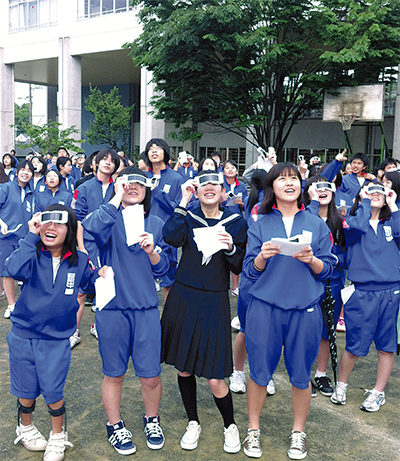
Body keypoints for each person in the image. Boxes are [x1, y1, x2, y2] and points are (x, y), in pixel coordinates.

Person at [242, 163, 336, 459]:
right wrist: (260, 258)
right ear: (272, 188)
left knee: (300, 375)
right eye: (281, 179)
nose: (289, 182)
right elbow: (248, 271)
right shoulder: (260, 224)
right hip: (265, 309)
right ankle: (253, 431)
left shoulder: (316, 224)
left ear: (301, 186)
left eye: (293, 178)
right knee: (259, 373)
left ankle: (298, 432)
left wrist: (312, 260)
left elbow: (328, 269)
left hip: (304, 310)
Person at [82, 167, 170, 455]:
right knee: (114, 373)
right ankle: (115, 424)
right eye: (126, 183)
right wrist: (116, 197)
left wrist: (152, 251)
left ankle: (151, 419)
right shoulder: (108, 218)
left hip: (145, 309)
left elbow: (165, 268)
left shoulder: (156, 223)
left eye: (138, 184)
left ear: (147, 191)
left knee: (151, 375)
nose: (133, 187)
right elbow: (90, 228)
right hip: (113, 309)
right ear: (118, 186)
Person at [161, 170, 248, 454]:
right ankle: (193, 421)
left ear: (224, 193)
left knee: (214, 376)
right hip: (184, 296)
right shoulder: (187, 216)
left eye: (216, 185)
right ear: (196, 191)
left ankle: (230, 425)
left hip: (213, 299)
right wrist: (183, 201)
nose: (209, 188)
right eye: (203, 185)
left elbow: (237, 266)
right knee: (184, 367)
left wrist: (231, 246)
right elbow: (171, 237)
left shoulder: (236, 222)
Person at [5, 204, 101, 461]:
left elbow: (91, 283)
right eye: (46, 222)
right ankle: (25, 427)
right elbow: (13, 269)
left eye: (59, 224)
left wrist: (102, 274)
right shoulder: (31, 253)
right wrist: (29, 235)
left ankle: (58, 436)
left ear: (69, 230)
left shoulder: (79, 260)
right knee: (25, 390)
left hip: (57, 339)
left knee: (53, 391)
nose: (51, 228)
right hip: (23, 335)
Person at [330, 181, 400, 412]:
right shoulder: (351, 222)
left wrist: (392, 203)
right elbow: (358, 225)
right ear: (361, 198)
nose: (376, 194)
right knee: (354, 345)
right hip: (361, 293)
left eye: (380, 191)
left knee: (386, 346)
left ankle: (378, 392)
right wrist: (365, 200)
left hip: (390, 292)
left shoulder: (390, 223)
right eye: (371, 191)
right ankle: (342, 385)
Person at [71, 149, 120, 347]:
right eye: (104, 160)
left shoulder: (119, 188)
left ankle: (99, 325)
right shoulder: (84, 187)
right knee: (81, 291)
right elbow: (78, 220)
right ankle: (73, 331)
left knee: (106, 287)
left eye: (112, 161)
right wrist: (81, 247)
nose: (108, 163)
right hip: (88, 244)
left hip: (112, 244)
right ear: (95, 163)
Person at [303, 176, 347, 398]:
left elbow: (348, 251)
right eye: (317, 187)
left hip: (334, 280)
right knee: (305, 328)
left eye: (327, 187)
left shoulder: (341, 220)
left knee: (327, 331)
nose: (322, 191)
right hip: (308, 280)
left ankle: (321, 373)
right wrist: (311, 204)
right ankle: (303, 374)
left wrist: (338, 259)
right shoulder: (304, 216)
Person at [144, 138, 184, 301]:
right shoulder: (142, 177)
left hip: (167, 234)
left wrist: (158, 192)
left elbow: (177, 208)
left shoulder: (176, 178)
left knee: (168, 279)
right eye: (150, 148)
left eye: (158, 148)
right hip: (143, 232)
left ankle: (167, 322)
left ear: (165, 152)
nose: (154, 151)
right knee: (143, 276)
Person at [0, 160, 34, 319]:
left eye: (29, 170)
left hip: (25, 240)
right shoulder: (6, 188)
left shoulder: (32, 194)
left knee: (26, 271)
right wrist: (2, 224)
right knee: (7, 272)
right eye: (23, 169)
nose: (26, 172)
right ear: (16, 171)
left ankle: (26, 304)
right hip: (6, 238)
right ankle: (12, 305)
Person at [221, 159, 248, 296]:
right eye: (227, 167)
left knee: (236, 252)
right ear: (223, 171)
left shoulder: (242, 186)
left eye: (233, 167)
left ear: (237, 171)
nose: (230, 170)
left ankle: (235, 287)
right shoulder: (220, 186)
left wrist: (242, 203)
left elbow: (246, 205)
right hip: (223, 222)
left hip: (238, 221)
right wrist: (223, 200)